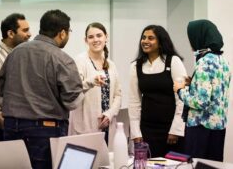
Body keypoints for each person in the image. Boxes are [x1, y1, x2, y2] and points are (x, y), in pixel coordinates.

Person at [0, 9, 84, 169]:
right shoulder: (62, 59)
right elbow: (73, 102)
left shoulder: (15, 53)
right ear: (63, 33)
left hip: (11, 127)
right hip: (45, 130)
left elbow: (1, 90)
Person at [174, 19, 231, 161]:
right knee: (213, 165)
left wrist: (180, 90)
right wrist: (193, 83)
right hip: (218, 127)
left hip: (201, 127)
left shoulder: (204, 62)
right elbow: (216, 91)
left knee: (197, 165)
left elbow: (201, 101)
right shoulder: (223, 61)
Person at [128, 25, 187, 158]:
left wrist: (176, 129)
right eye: (143, 37)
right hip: (147, 129)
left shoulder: (173, 61)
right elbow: (134, 102)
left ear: (161, 42)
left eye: (151, 38)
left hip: (170, 129)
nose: (145, 41)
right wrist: (136, 133)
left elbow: (182, 99)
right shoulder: (135, 66)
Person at [68, 22, 122, 148]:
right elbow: (73, 91)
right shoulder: (80, 61)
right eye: (91, 37)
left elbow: (118, 95)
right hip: (84, 126)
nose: (95, 40)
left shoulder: (111, 64)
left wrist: (110, 114)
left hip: (108, 126)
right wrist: (91, 82)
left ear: (106, 37)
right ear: (85, 40)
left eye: (99, 35)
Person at [0, 13, 31, 140]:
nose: (30, 34)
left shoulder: (25, 53)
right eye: (25, 30)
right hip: (7, 126)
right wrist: (3, 124)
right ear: (11, 34)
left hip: (26, 123)